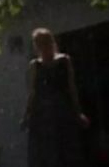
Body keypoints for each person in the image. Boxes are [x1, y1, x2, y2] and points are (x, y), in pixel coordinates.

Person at [21, 28, 90, 167]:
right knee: (44, 154)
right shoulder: (35, 65)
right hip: (42, 115)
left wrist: (78, 112)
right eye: (38, 43)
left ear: (50, 42)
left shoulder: (64, 60)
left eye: (44, 42)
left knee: (65, 152)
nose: (42, 46)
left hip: (62, 113)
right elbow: (33, 92)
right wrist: (26, 115)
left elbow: (72, 88)